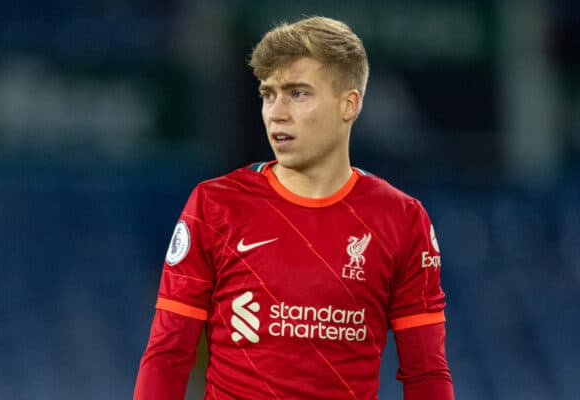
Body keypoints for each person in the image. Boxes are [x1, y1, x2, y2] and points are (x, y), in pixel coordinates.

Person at [134, 16, 454, 400]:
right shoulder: (215, 205)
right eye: (269, 94)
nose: (277, 112)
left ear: (348, 104)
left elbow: (426, 374)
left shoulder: (401, 218)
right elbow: (168, 356)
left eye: (298, 93)